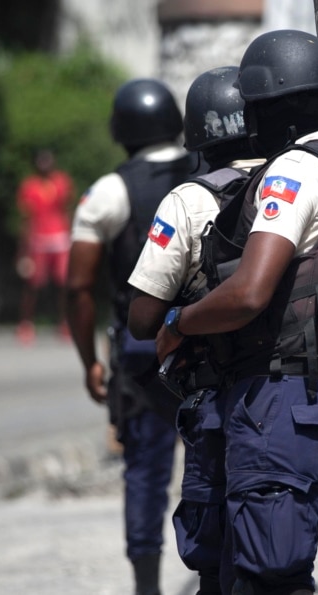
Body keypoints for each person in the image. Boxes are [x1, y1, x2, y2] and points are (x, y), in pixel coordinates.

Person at [155, 30, 318, 595]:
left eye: (255, 111)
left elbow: (250, 293)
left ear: (275, 110)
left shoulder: (295, 171)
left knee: (267, 575)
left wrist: (177, 325)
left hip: (284, 396)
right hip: (312, 396)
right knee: (253, 572)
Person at [126, 66, 263, 595]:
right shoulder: (295, 183)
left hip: (214, 393)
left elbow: (142, 318)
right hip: (291, 391)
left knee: (213, 552)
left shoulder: (189, 199)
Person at [67, 78, 195, 595]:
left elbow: (78, 286)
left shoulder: (109, 192)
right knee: (228, 461)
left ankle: (147, 586)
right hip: (211, 342)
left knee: (145, 473)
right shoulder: (206, 169)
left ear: (121, 130)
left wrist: (88, 363)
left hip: (143, 357)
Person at [15, 149, 74, 344]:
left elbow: (67, 209)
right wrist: (23, 251)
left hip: (60, 237)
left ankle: (65, 322)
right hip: (38, 239)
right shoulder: (29, 186)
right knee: (32, 283)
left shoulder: (62, 182)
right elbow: (25, 218)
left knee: (64, 282)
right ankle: (26, 323)